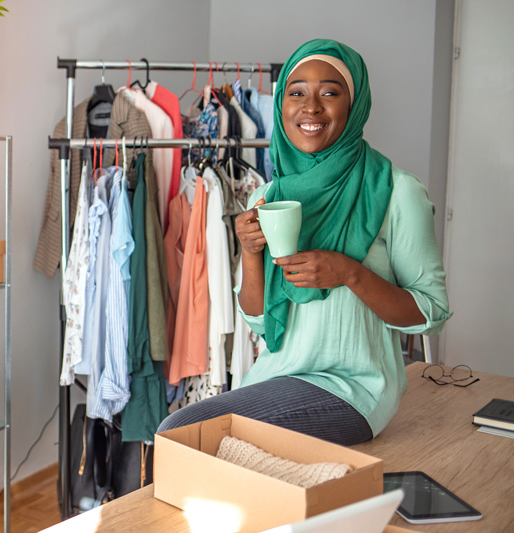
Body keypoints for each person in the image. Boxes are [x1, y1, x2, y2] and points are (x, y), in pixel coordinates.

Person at [156, 39, 451, 445]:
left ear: (355, 104)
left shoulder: (397, 191)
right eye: (296, 93)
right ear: (281, 106)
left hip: (354, 388)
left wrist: (348, 273)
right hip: (274, 377)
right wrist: (251, 252)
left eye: (330, 92)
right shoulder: (270, 196)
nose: (311, 107)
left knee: (186, 435)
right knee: (182, 436)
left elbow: (430, 312)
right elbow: (257, 319)